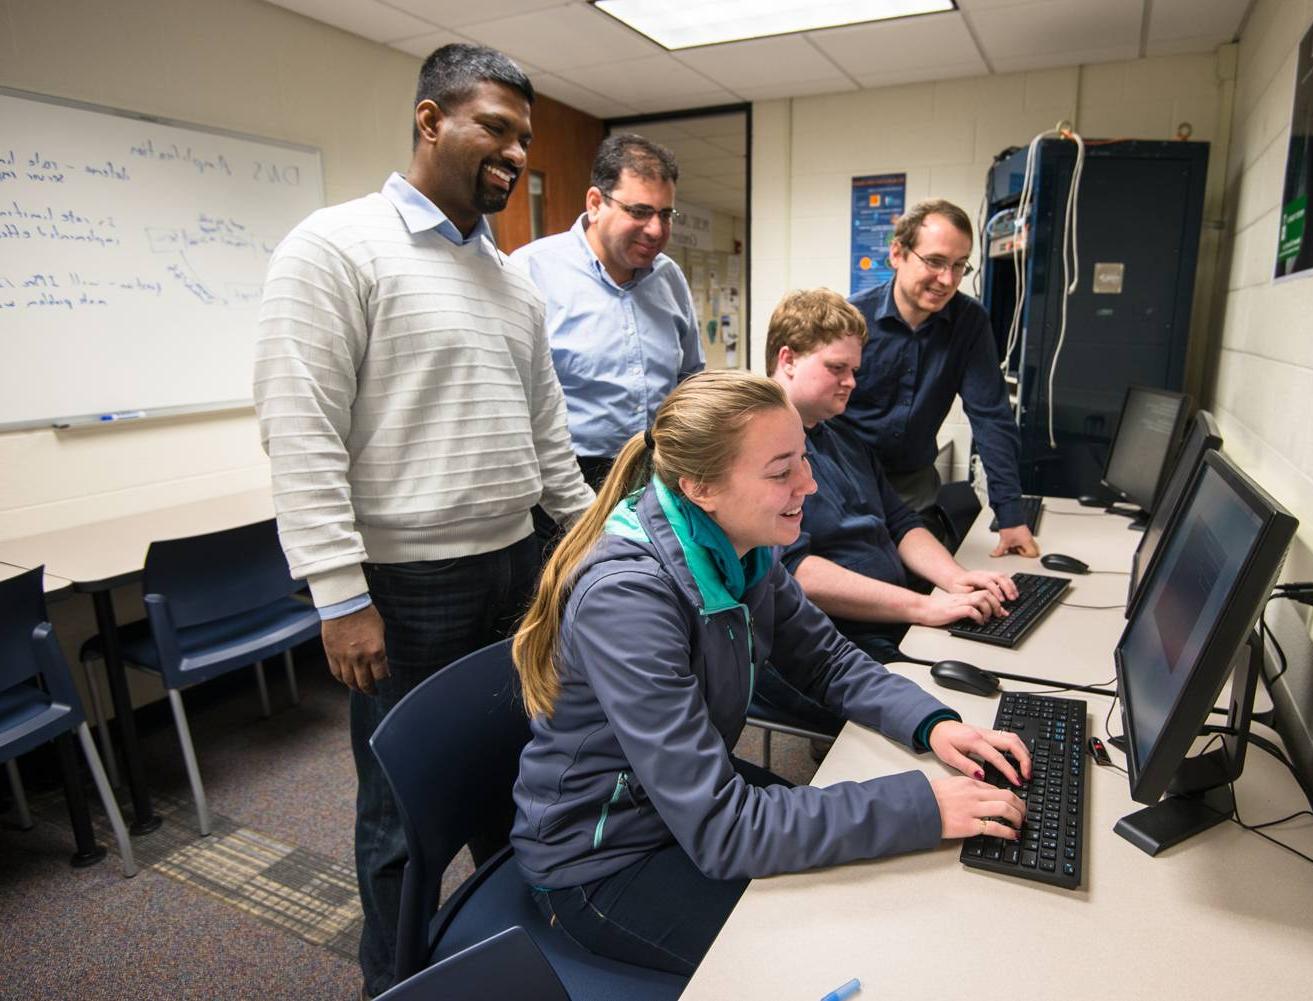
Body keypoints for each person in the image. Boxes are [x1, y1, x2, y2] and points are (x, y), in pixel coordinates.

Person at [253, 44, 593, 999]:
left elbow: (548, 440)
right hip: (404, 590)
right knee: (404, 811)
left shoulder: (509, 277)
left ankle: (512, 947)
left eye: (525, 137)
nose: (516, 152)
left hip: (516, 569)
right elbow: (301, 430)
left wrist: (585, 550)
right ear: (430, 118)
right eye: (496, 126)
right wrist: (340, 594)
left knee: (520, 771)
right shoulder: (335, 247)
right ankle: (394, 978)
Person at [509, 370, 1031, 976]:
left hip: (679, 806)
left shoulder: (743, 544)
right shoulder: (628, 600)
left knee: (883, 884)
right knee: (847, 955)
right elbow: (725, 829)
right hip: (605, 862)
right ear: (700, 486)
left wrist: (934, 723)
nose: (807, 485)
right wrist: (922, 805)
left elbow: (828, 662)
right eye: (781, 472)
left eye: (803, 461)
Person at [766, 289, 1019, 664]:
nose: (851, 382)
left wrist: (954, 579)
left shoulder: (843, 436)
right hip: (827, 644)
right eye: (837, 368)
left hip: (890, 619)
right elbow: (793, 571)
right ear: (788, 359)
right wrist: (922, 608)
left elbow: (900, 523)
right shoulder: (762, 451)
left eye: (854, 371)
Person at [844, 199, 1040, 559]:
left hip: (914, 485)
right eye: (934, 262)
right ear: (898, 253)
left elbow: (991, 416)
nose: (947, 280)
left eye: (959, 266)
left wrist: (1010, 514)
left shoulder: (969, 322)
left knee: (923, 580)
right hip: (847, 486)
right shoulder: (851, 319)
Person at [510, 133, 703, 490]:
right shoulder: (530, 271)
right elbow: (511, 399)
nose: (656, 230)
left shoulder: (669, 278)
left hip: (655, 472)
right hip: (564, 479)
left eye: (665, 214)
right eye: (640, 212)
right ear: (596, 203)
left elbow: (690, 377)